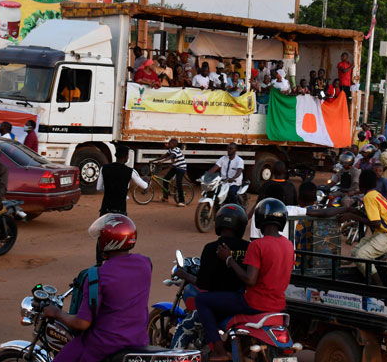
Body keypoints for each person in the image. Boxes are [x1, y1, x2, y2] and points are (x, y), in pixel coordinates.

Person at [195, 198, 295, 361]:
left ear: (260, 220)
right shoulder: (288, 245)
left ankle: (218, 350)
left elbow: (250, 280)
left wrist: (229, 259)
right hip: (278, 304)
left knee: (201, 300)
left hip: (254, 303)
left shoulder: (257, 245)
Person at [44, 214, 152, 362]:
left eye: (100, 238)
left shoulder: (98, 275)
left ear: (108, 241)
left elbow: (82, 323)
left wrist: (56, 312)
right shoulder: (145, 264)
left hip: (105, 344)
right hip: (138, 341)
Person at [171, 205, 251, 349]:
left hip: (217, 307)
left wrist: (185, 275)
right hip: (243, 303)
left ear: (219, 222)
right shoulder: (249, 247)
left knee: (183, 328)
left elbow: (203, 284)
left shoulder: (210, 248)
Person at [337, 170, 387, 279]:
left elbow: (376, 223)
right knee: (355, 252)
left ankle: (379, 286)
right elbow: (368, 216)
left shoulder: (369, 197)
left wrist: (352, 217)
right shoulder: (375, 194)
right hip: (384, 233)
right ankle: (370, 277)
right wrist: (351, 211)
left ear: (361, 184)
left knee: (361, 255)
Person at [97, 145, 147, 215]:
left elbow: (98, 187)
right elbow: (144, 186)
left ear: (116, 156)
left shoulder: (104, 168)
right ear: (126, 156)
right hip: (120, 210)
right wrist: (146, 181)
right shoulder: (130, 171)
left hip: (105, 209)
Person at [151, 138, 188, 206]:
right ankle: (165, 197)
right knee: (165, 180)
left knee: (178, 184)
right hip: (175, 167)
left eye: (169, 143)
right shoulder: (170, 150)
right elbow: (164, 156)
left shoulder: (176, 150)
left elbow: (170, 157)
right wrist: (154, 160)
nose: (168, 144)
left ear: (174, 144)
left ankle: (182, 201)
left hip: (181, 168)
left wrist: (162, 162)